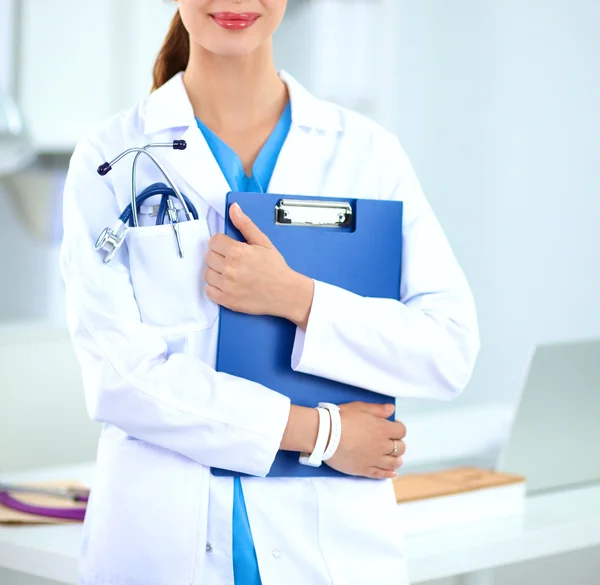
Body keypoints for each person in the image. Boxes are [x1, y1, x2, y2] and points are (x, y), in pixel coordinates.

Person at [60, 1, 480, 584]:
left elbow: (448, 350)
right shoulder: (109, 159)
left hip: (332, 551)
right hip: (162, 545)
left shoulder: (366, 152)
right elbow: (119, 379)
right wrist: (322, 433)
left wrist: (299, 298)